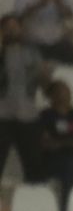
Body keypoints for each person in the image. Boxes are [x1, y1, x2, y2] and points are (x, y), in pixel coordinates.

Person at [0, 14, 48, 183]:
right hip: (2, 116)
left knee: (34, 166)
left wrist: (45, 75)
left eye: (15, 26)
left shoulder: (32, 52)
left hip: (27, 115)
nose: (11, 30)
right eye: (7, 27)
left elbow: (44, 83)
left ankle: (35, 203)